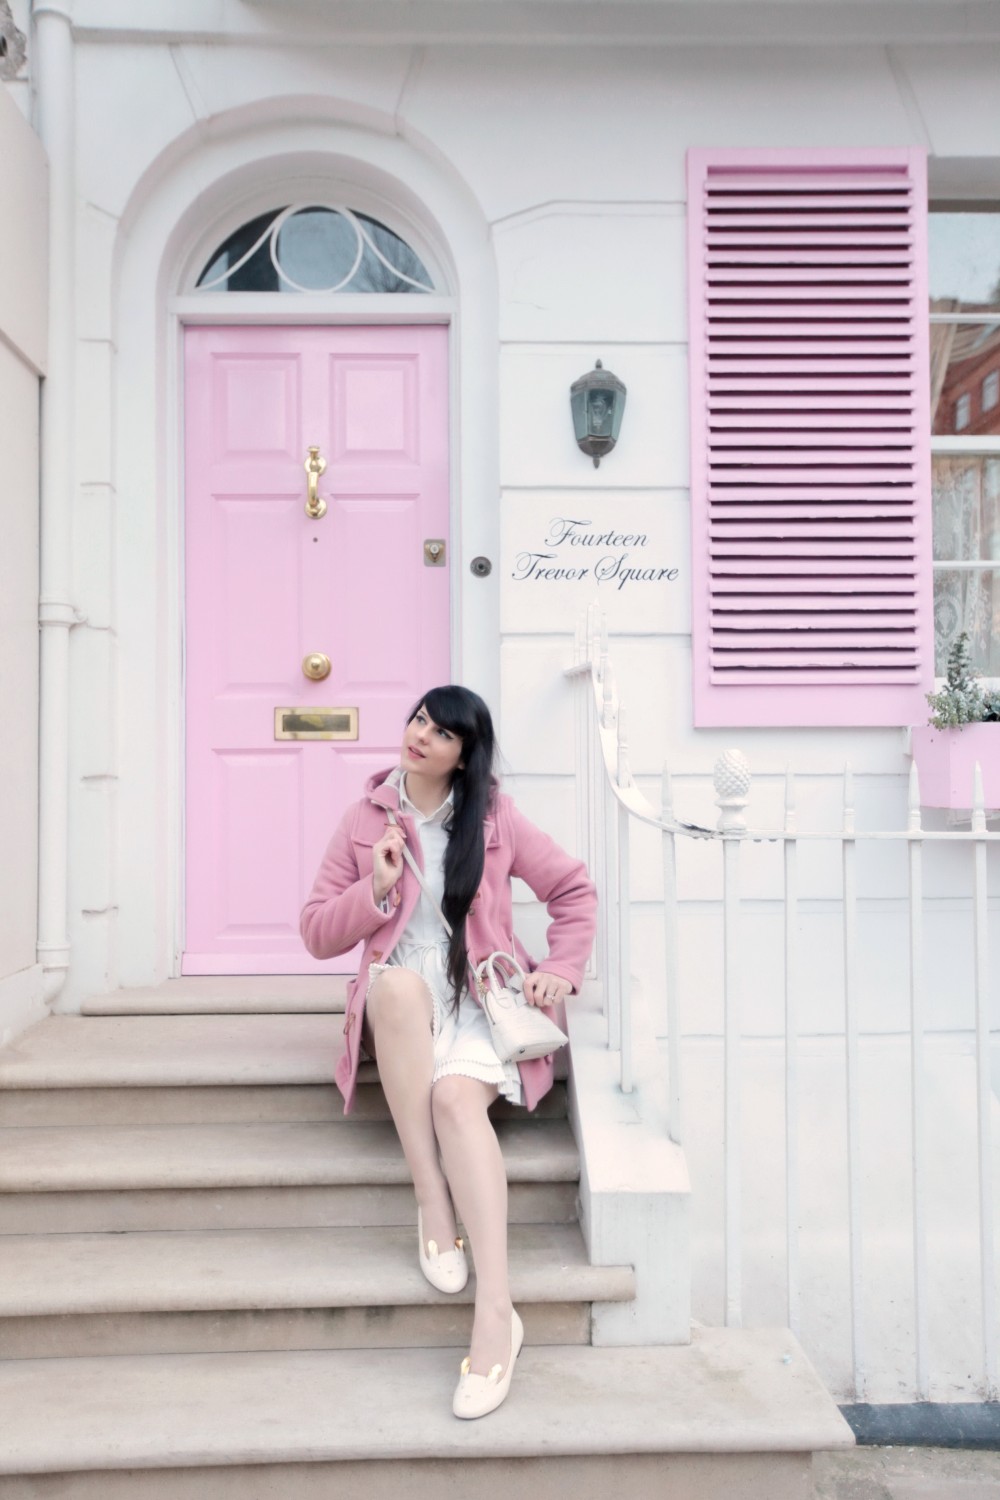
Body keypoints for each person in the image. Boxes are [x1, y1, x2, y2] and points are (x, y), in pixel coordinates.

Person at [300, 685, 597, 1419]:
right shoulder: (366, 818)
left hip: (479, 1000)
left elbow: (574, 890)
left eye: (441, 731)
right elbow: (314, 931)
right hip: (408, 1004)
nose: (421, 736)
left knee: (455, 1101)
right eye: (418, 721)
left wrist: (560, 969)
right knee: (393, 986)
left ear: (466, 752)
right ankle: (432, 1199)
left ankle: (497, 1313)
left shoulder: (492, 818)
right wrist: (374, 889)